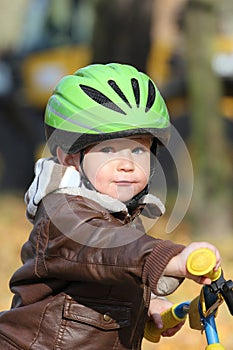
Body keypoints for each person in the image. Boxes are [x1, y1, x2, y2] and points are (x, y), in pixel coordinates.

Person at [0, 63, 221, 350]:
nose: (127, 164)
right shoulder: (63, 213)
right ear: (69, 157)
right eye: (107, 150)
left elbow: (104, 274)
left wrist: (147, 304)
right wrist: (167, 258)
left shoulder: (121, 212)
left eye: (139, 149)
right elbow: (107, 247)